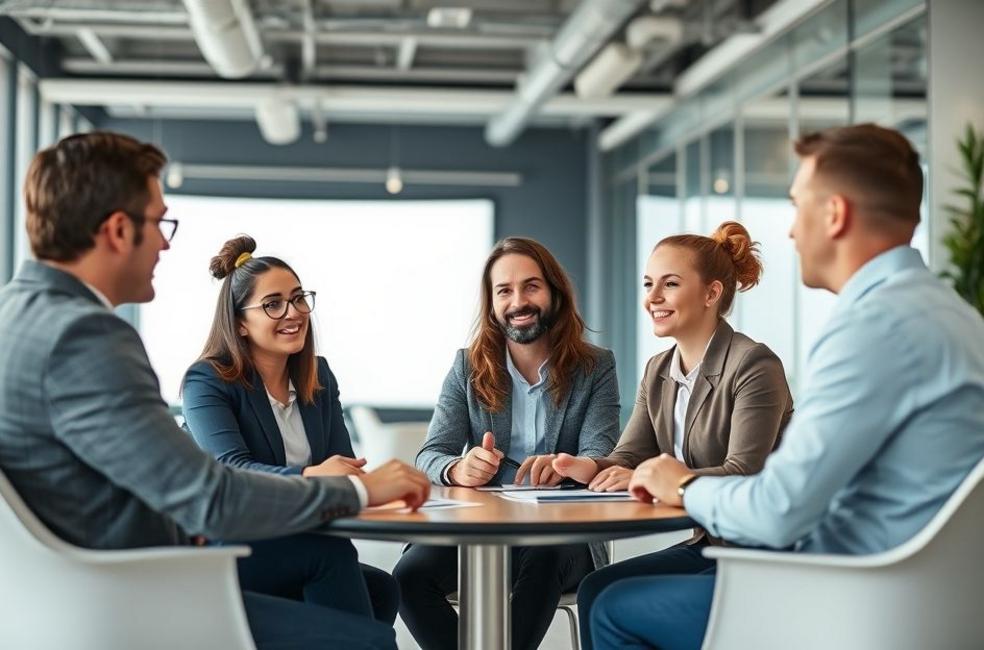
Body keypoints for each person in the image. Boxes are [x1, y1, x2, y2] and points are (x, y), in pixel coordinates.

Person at [0, 131, 431, 650]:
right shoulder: (85, 337)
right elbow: (211, 495)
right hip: (129, 594)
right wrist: (359, 490)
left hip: (68, 589)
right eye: (159, 223)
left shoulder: (18, 315)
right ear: (118, 230)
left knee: (372, 589)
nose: (165, 243)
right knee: (368, 640)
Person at [590, 123, 984, 650]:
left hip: (851, 600)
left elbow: (779, 511)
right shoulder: (956, 316)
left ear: (834, 214)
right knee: (614, 590)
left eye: (798, 206)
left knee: (614, 608)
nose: (793, 232)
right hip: (930, 599)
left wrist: (682, 486)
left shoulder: (872, 328)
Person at [550, 221, 793, 649]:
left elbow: (744, 473)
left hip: (760, 549)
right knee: (596, 588)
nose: (653, 298)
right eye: (649, 284)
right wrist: (589, 466)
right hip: (709, 543)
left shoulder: (754, 365)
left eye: (670, 284)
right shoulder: (658, 370)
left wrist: (657, 478)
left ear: (711, 293)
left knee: (613, 601)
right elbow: (630, 456)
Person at [393, 236, 621, 650]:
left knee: (543, 556)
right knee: (408, 578)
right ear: (492, 303)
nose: (519, 301)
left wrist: (569, 465)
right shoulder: (467, 366)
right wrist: (457, 468)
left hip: (563, 536)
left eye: (531, 286)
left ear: (554, 292)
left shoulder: (595, 366)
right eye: (504, 291)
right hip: (480, 531)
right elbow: (430, 455)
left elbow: (601, 454)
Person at [181, 234, 399, 625]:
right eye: (273, 304)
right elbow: (232, 471)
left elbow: (343, 466)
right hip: (223, 545)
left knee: (381, 588)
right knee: (330, 557)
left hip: (295, 538)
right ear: (240, 323)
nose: (293, 312)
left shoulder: (319, 376)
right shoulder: (207, 381)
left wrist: (349, 478)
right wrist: (313, 475)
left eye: (299, 298)